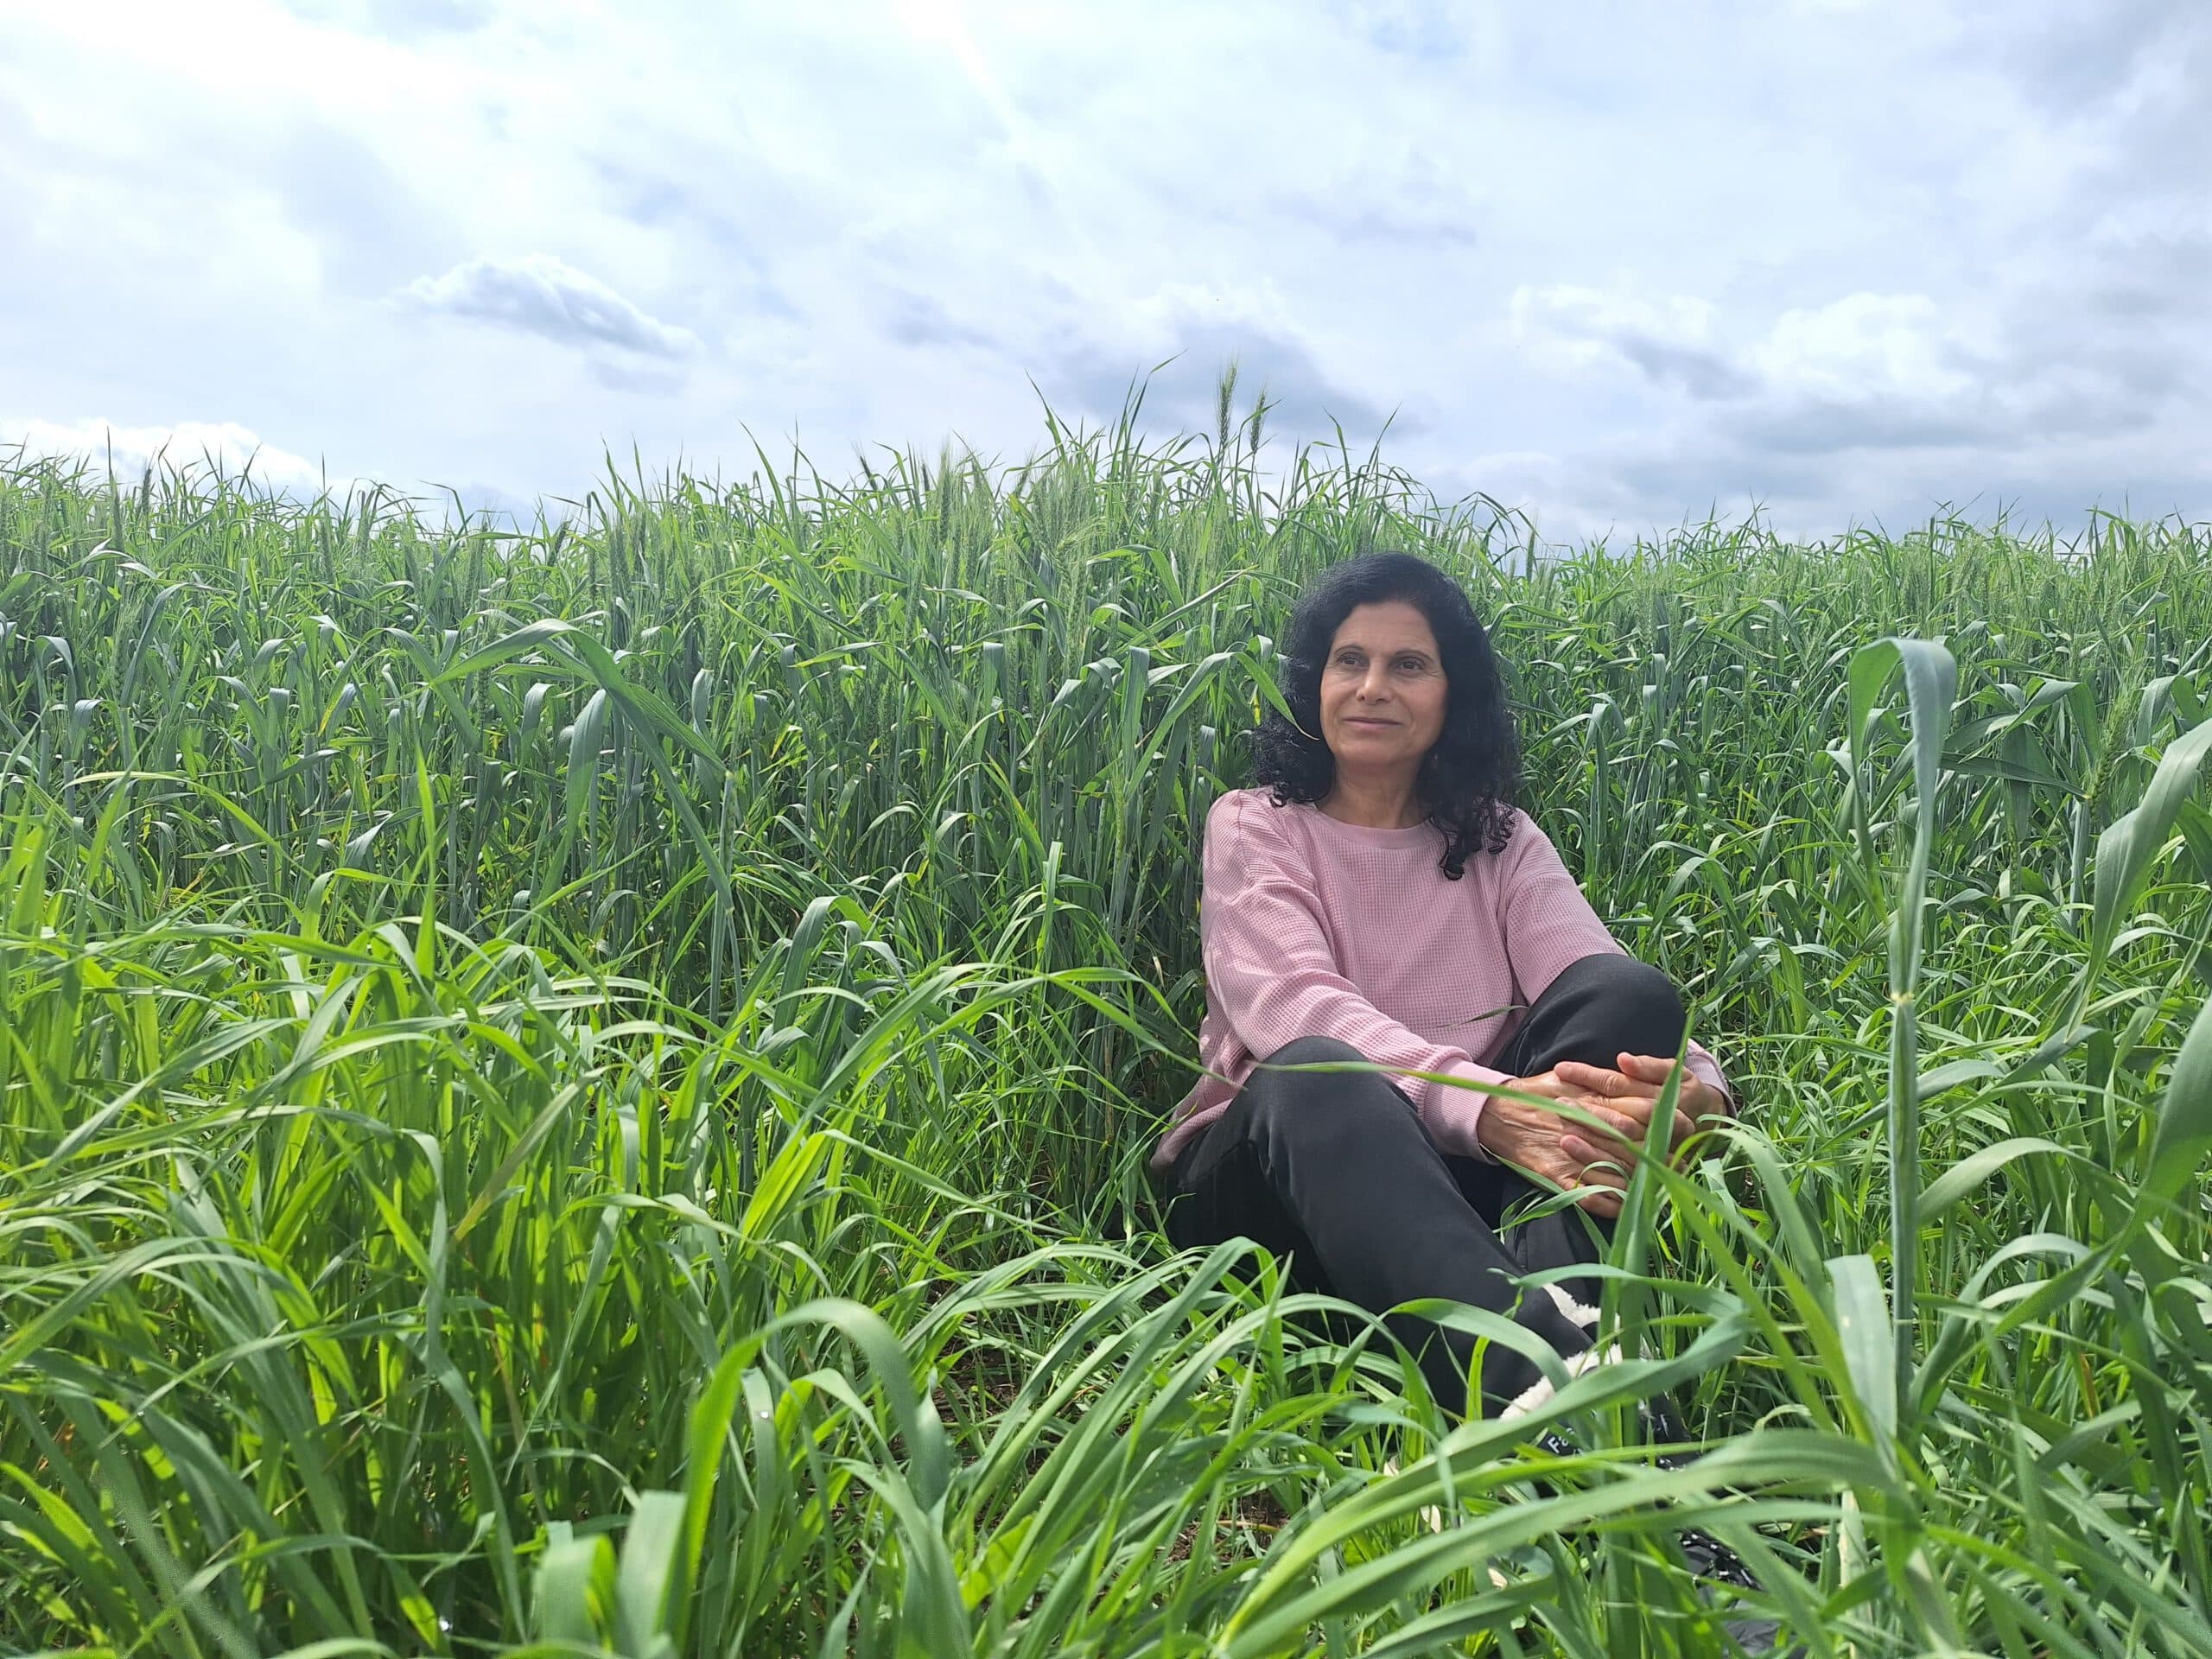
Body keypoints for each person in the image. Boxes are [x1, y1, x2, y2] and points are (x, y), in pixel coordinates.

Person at [1154, 550, 1735, 1418]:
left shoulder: (1498, 840)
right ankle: (1543, 1395)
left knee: (1627, 996)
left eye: (1409, 666)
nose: (1372, 687)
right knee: (1321, 1068)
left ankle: (1566, 1353)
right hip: (1282, 1186)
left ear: (1450, 694)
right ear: (1314, 684)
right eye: (1350, 661)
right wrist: (1491, 1106)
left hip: (1457, 1195)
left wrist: (1699, 1098)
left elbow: (1596, 971)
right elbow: (1293, 1002)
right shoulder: (1257, 824)